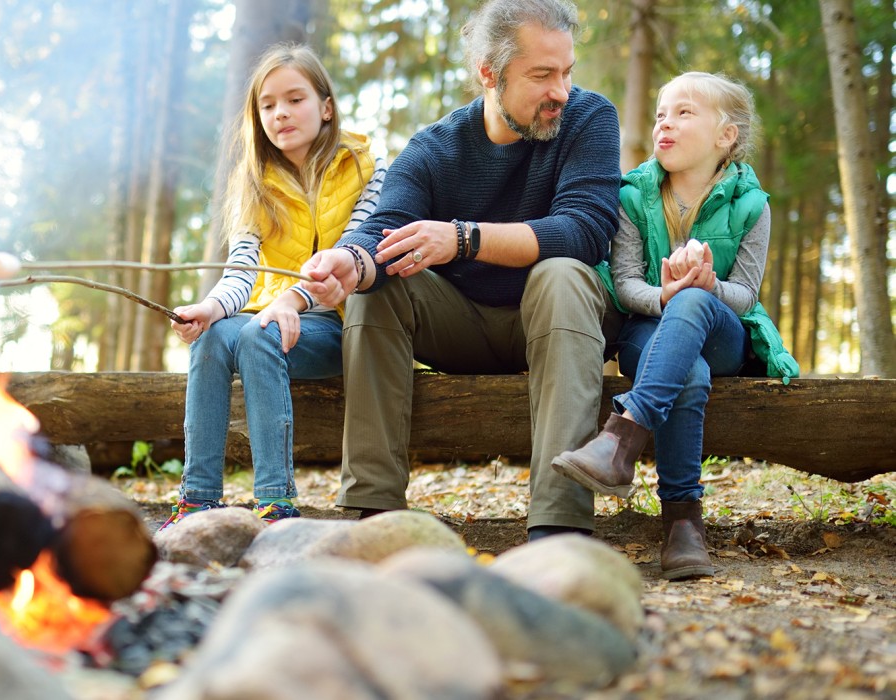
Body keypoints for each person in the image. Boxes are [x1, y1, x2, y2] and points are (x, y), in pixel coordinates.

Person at [299, 0, 622, 542]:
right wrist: (348, 260)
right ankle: (374, 516)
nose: (560, 92)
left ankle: (559, 526)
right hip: (462, 325)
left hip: (561, 318)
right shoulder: (434, 148)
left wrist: (462, 238)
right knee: (376, 286)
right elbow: (384, 230)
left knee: (562, 272)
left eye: (566, 72)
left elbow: (586, 228)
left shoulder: (588, 117)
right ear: (489, 74)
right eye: (542, 75)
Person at [550, 72, 799, 578]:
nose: (666, 122)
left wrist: (704, 288)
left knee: (694, 303)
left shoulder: (752, 206)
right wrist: (664, 294)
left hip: (723, 335)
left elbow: (746, 294)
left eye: (684, 113)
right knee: (687, 374)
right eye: (662, 113)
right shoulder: (631, 197)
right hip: (649, 331)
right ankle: (683, 525)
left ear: (725, 135)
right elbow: (624, 286)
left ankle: (621, 437)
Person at [158, 43, 386, 531]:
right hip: (277, 320)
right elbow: (242, 270)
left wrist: (291, 299)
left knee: (261, 332)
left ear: (326, 107)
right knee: (214, 335)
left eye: (295, 99)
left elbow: (347, 259)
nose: (280, 112)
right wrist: (210, 309)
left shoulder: (369, 168)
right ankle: (198, 497)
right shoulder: (255, 182)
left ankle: (275, 502)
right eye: (267, 105)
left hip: (350, 325)